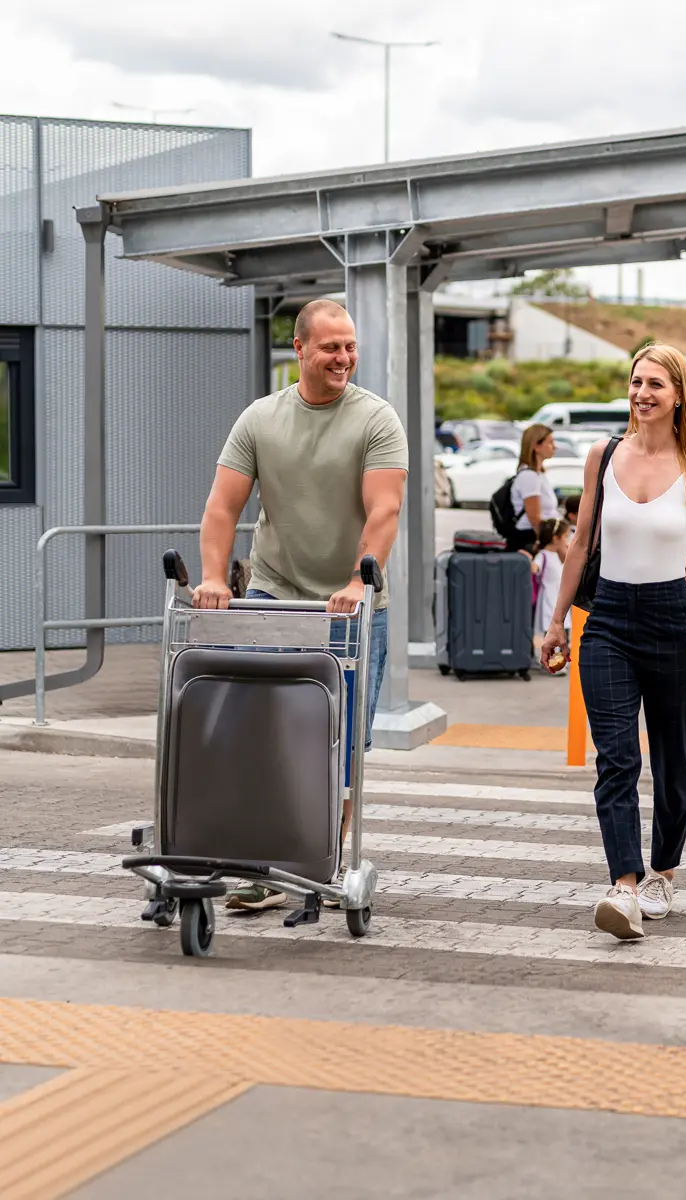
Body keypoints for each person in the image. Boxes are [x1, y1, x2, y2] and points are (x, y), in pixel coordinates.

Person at [540, 342, 686, 941]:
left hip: (672, 619)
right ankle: (623, 886)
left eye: (655, 385)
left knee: (675, 759)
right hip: (610, 621)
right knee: (617, 757)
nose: (642, 393)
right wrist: (557, 620)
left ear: (678, 396)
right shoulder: (603, 455)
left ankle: (662, 872)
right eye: (636, 381)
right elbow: (581, 540)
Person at [193, 298, 409, 912]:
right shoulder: (261, 419)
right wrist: (214, 576)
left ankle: (315, 859)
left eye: (350, 347)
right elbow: (221, 507)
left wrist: (356, 582)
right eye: (331, 347)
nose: (344, 358)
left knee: (337, 743)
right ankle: (265, 864)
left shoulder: (376, 419)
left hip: (350, 604)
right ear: (300, 350)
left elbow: (384, 510)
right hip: (275, 594)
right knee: (264, 732)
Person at [507, 423, 559, 554]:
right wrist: (544, 544)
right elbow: (534, 518)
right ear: (536, 446)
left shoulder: (538, 474)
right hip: (530, 540)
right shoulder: (529, 476)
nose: (555, 446)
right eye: (550, 442)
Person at [531, 516, 570, 641]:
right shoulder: (543, 555)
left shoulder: (557, 555)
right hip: (549, 603)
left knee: (563, 636)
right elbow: (534, 568)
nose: (567, 541)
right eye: (565, 537)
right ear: (555, 539)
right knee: (552, 637)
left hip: (559, 603)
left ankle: (560, 659)